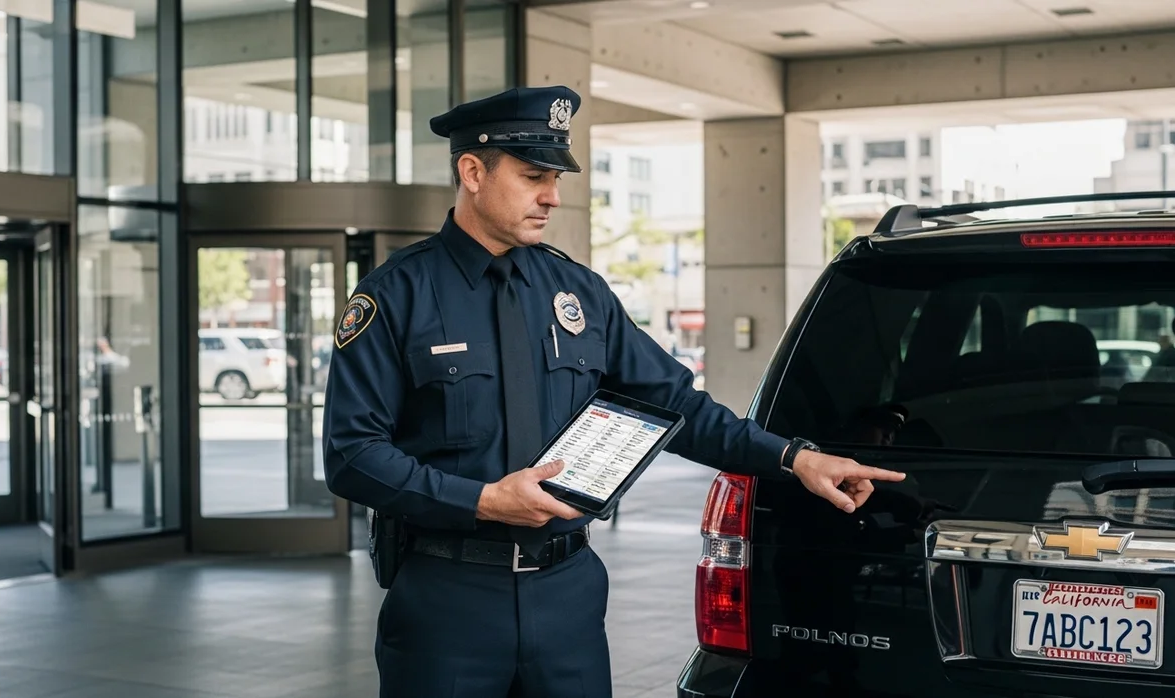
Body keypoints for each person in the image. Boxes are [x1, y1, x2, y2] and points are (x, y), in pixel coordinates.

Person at [321, 84, 906, 698]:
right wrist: (486, 501)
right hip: (447, 600)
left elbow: (678, 406)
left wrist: (795, 458)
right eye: (533, 176)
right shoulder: (395, 296)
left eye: (556, 177)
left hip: (567, 595)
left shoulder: (578, 292)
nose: (552, 196)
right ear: (472, 171)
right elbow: (352, 454)